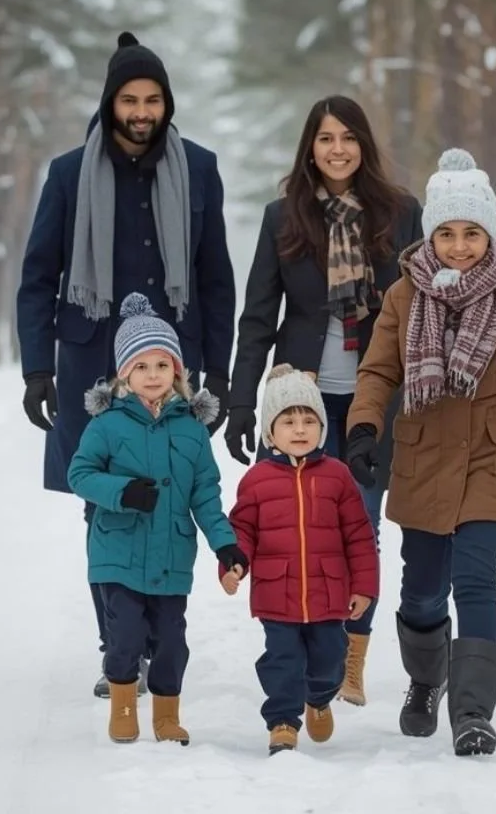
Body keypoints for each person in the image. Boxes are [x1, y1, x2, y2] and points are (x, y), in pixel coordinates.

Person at [16, 31, 236, 698]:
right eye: (129, 99)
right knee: (102, 502)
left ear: (168, 104)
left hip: (174, 363)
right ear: (110, 103)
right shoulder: (67, 173)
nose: (141, 111)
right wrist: (36, 369)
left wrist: (219, 372)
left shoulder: (198, 169)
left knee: (170, 495)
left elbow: (215, 278)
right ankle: (123, 648)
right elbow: (37, 278)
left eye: (153, 99)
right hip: (90, 365)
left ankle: (155, 637)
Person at [344, 148, 496, 757]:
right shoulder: (403, 295)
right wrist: (363, 430)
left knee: (476, 580)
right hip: (421, 457)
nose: (459, 245)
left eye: (471, 232)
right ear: (431, 236)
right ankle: (427, 680)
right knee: (421, 589)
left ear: (490, 232)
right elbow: (378, 370)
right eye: (446, 233)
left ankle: (473, 714)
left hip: (490, 456)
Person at [225, 95, 421, 705]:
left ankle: (351, 662)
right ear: (309, 147)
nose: (337, 149)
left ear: (364, 144)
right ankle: (302, 656)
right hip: (299, 402)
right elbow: (259, 316)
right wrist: (239, 403)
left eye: (348, 137)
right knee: (301, 532)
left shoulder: (400, 213)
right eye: (325, 138)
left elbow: (421, 310)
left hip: (375, 399)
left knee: (358, 525)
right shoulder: (283, 217)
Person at [67, 293, 247, 745]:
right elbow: (80, 474)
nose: (152, 376)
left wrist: (226, 546)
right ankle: (124, 706)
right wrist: (122, 492)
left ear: (177, 373)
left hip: (171, 554)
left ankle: (167, 716)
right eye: (142, 366)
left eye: (162, 366)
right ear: (125, 372)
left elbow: (206, 493)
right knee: (124, 635)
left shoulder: (191, 429)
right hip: (118, 550)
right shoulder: (107, 424)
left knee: (171, 642)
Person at [223, 364, 379, 755]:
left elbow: (359, 535)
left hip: (329, 595)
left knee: (329, 660)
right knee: (283, 660)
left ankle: (319, 698)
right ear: (270, 432)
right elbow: (242, 530)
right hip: (277, 592)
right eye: (288, 420)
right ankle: (282, 722)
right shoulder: (256, 480)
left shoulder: (338, 476)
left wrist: (364, 587)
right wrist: (234, 564)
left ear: (322, 427)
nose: (299, 429)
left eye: (309, 420)